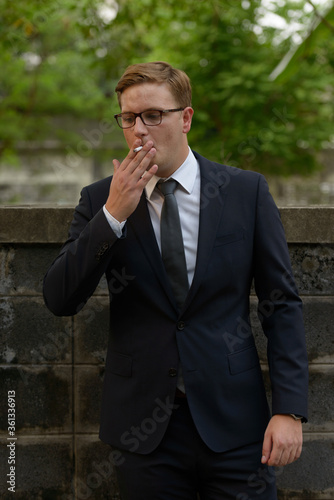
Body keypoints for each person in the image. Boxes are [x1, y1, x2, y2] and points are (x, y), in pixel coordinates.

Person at [43, 61, 308, 499]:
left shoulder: (245, 192)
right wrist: (113, 216)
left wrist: (290, 412)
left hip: (236, 426)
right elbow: (59, 299)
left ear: (185, 118)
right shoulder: (100, 199)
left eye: (153, 115)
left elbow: (280, 303)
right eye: (128, 118)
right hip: (144, 435)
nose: (138, 130)